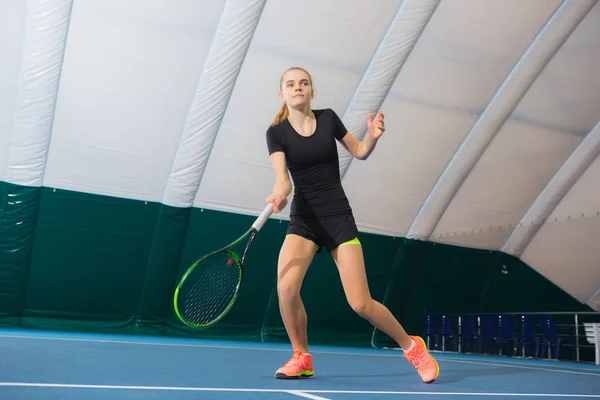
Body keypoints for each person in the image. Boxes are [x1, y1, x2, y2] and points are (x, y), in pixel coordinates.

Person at [264, 66, 439, 384]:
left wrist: (371, 138)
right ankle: (301, 357)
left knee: (360, 303)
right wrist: (278, 196)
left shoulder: (329, 118)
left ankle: (412, 347)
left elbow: (358, 151)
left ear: (312, 91)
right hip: (304, 219)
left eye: (304, 83)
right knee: (286, 289)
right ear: (282, 94)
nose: (298, 87)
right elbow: (283, 181)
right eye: (290, 84)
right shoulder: (276, 133)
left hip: (338, 218)